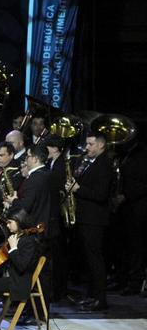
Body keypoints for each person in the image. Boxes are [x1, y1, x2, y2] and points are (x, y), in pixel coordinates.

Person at [67, 134, 116, 312]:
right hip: (85, 218)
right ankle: (91, 295)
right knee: (88, 259)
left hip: (95, 220)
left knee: (95, 259)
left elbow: (101, 195)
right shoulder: (89, 162)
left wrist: (78, 189)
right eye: (86, 143)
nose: (86, 147)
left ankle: (100, 299)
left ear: (101, 145)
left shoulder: (104, 165)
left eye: (90, 144)